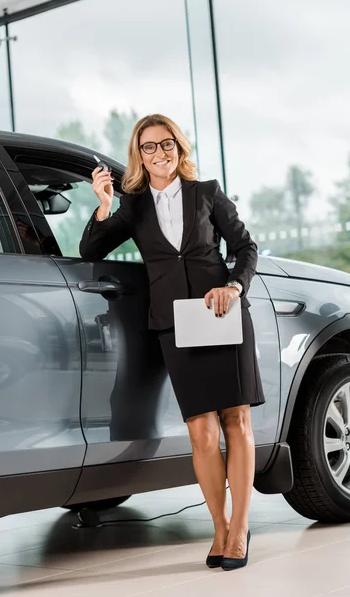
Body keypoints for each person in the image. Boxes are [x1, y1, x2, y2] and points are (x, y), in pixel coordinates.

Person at [80, 114, 265, 571]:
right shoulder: (134, 206)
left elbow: (246, 248)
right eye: (148, 147)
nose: (159, 154)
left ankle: (239, 529)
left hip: (223, 315)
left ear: (179, 148)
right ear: (138, 156)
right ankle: (219, 527)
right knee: (202, 432)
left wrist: (235, 286)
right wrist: (104, 202)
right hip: (175, 325)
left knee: (236, 422)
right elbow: (91, 251)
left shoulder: (207, 194)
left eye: (166, 145)